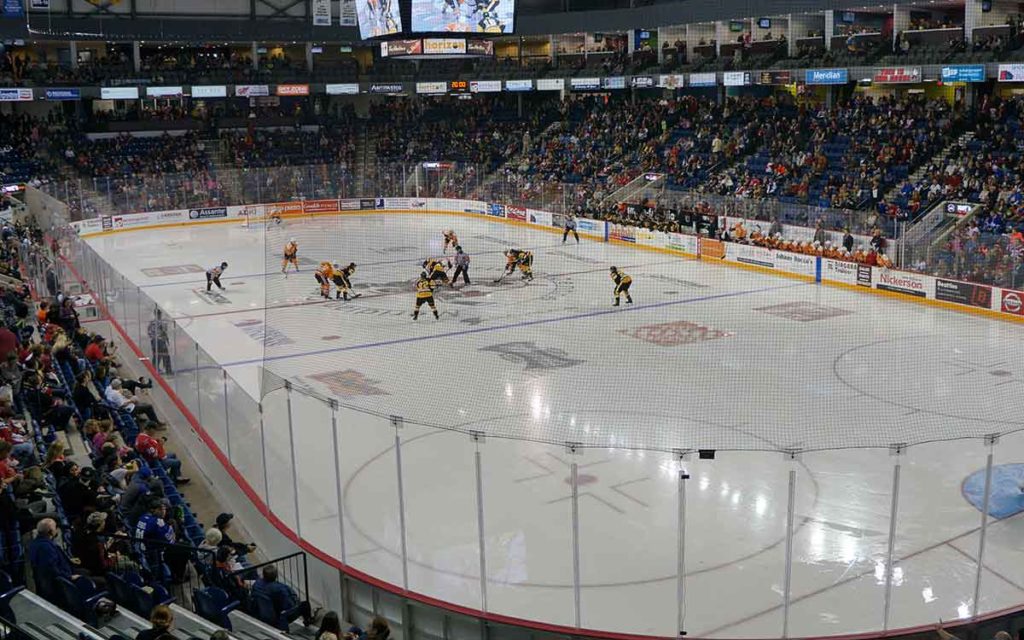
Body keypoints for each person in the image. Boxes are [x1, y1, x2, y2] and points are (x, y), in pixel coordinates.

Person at [28, 518, 78, 603]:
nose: (57, 529)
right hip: (62, 585)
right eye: (55, 527)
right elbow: (52, 569)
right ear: (51, 531)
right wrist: (70, 577)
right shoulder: (46, 547)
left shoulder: (34, 543)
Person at [251, 564, 312, 630]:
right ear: (276, 575)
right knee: (305, 605)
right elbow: (289, 605)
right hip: (277, 620)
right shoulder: (280, 589)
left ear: (263, 574)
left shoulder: (257, 584)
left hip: (259, 615)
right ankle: (307, 621)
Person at [147, 310, 173, 375]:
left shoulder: (151, 322)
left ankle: (154, 370)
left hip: (154, 341)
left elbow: (149, 332)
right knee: (165, 356)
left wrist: (153, 339)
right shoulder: (162, 322)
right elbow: (164, 332)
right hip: (160, 341)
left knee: (156, 355)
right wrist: (166, 339)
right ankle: (168, 371)